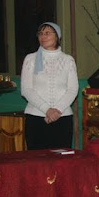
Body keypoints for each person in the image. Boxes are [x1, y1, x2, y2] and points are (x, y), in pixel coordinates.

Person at [21, 22, 78, 150]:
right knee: (37, 158)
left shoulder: (68, 60)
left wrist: (57, 110)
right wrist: (47, 110)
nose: (43, 36)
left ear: (57, 36)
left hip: (62, 117)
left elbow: (72, 89)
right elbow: (26, 89)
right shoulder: (30, 59)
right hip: (36, 117)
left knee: (60, 159)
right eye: (40, 33)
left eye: (47, 33)